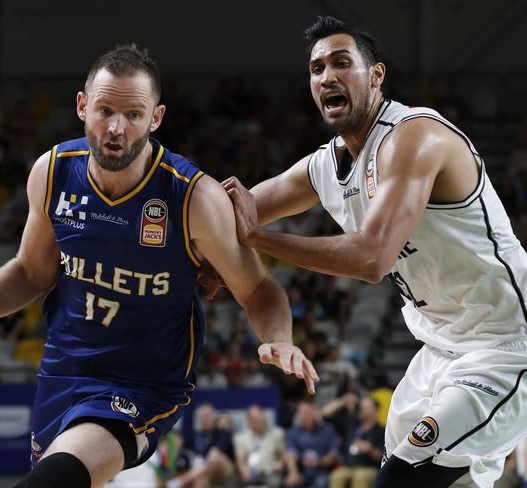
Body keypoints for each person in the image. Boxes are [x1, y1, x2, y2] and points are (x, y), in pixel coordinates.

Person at [0, 44, 317, 488]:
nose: (116, 128)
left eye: (133, 115)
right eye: (105, 110)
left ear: (156, 118)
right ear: (82, 106)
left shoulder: (193, 198)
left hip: (141, 387)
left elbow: (259, 288)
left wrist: (279, 339)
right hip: (64, 370)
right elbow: (31, 273)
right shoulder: (52, 172)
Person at [220, 15, 527, 488]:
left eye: (342, 63)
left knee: (402, 477)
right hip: (439, 346)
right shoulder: (325, 165)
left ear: (376, 75)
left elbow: (371, 258)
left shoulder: (415, 136)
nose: (327, 76)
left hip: (504, 342)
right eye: (316, 68)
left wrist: (258, 239)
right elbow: (233, 215)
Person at [328, 397, 384, 488]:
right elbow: (325, 415)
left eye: (367, 407)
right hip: (349, 467)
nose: (363, 410)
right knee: (336, 476)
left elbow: (382, 458)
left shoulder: (382, 431)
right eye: (361, 407)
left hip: (369, 468)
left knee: (360, 477)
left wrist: (369, 449)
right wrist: (343, 400)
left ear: (376, 410)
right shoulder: (352, 425)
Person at [284, 401, 339, 488]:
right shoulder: (292, 432)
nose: (306, 416)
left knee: (320, 483)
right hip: (302, 471)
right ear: (299, 416)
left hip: (322, 471)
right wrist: (294, 472)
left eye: (308, 413)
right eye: (303, 414)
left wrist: (317, 462)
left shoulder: (327, 430)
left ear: (314, 414)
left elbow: (333, 455)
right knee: (291, 483)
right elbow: (291, 454)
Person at [233, 405, 286, 488]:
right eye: (255, 419)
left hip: (269, 472)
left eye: (260, 418)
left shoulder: (276, 433)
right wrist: (244, 471)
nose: (258, 421)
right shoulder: (240, 438)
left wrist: (280, 464)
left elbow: (282, 454)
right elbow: (240, 460)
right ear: (249, 421)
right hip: (251, 473)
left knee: (276, 482)